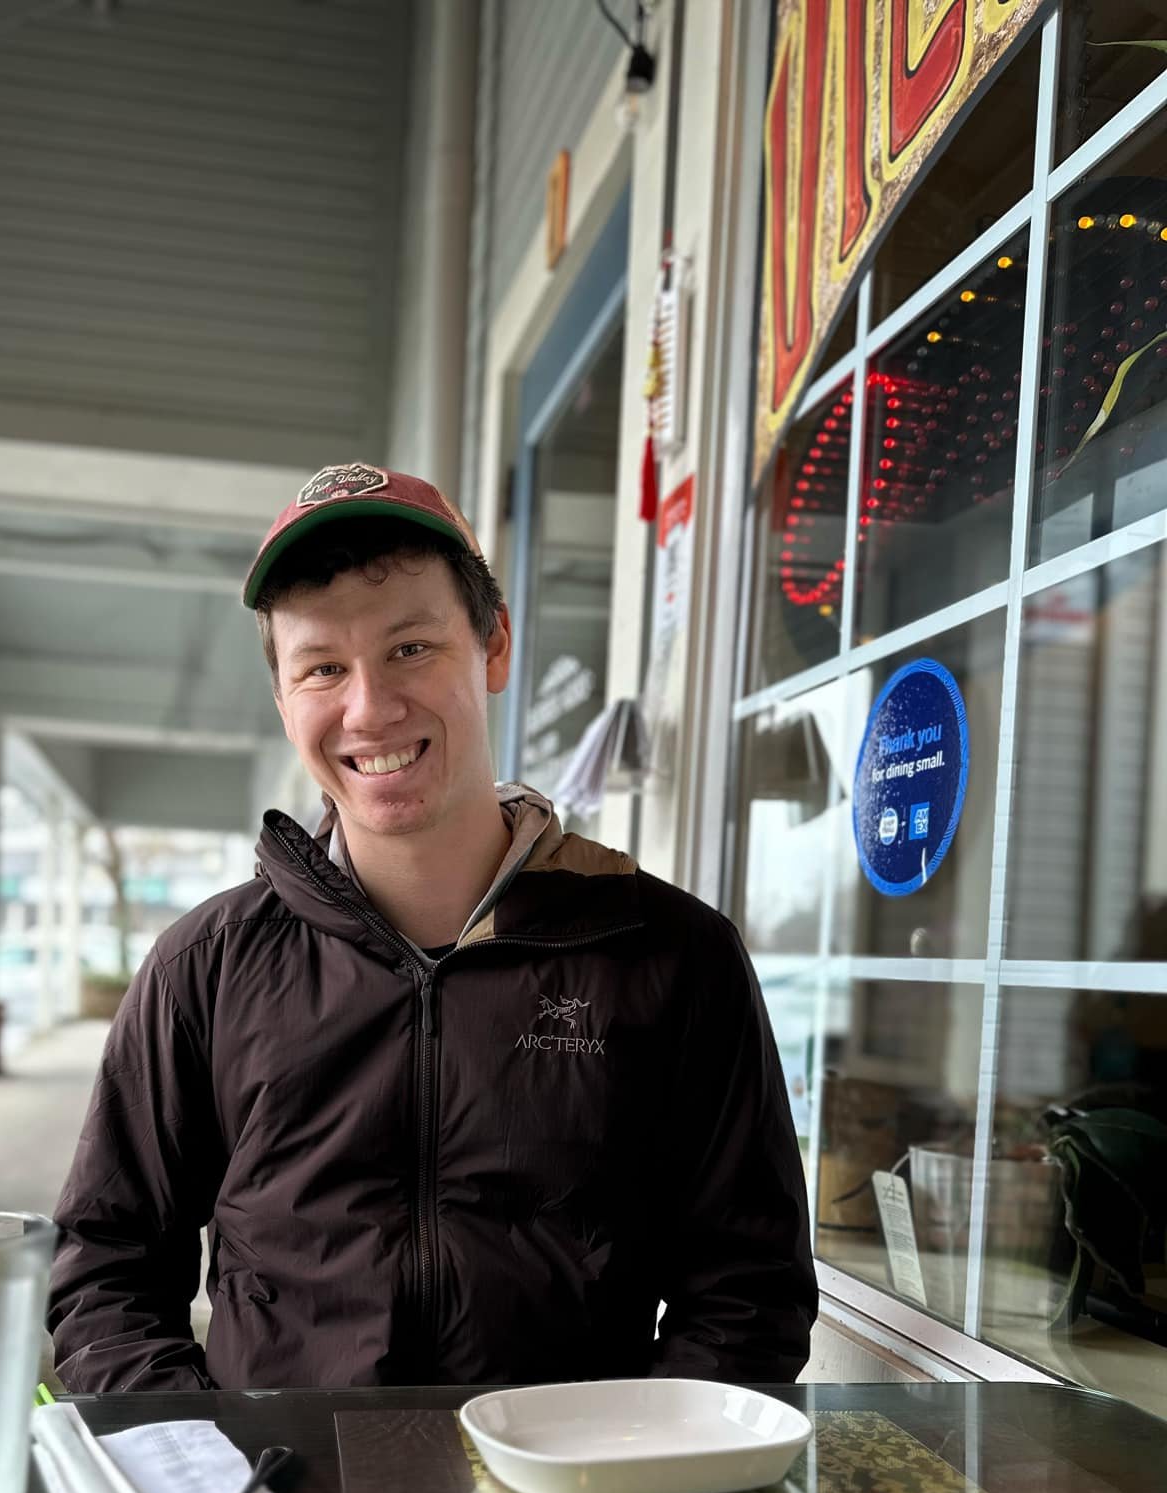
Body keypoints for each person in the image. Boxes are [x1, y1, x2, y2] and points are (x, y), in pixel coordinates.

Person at [48, 463, 816, 1391]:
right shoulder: (204, 968)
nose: (368, 708)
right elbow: (104, 1273)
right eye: (323, 668)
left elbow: (750, 1293)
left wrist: (630, 1481)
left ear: (493, 647)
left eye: (411, 648)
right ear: (284, 699)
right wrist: (209, 1478)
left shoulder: (669, 955)